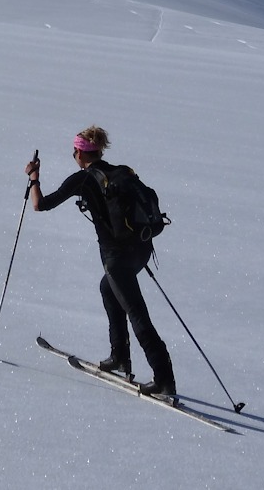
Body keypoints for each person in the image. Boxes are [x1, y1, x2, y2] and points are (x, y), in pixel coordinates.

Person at [25, 126, 176, 397]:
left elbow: (40, 205)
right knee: (108, 288)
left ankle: (164, 378)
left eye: (75, 152)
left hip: (117, 258)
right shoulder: (121, 172)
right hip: (141, 250)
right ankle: (119, 356)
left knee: (137, 314)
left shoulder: (83, 180)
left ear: (81, 153)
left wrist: (34, 178)